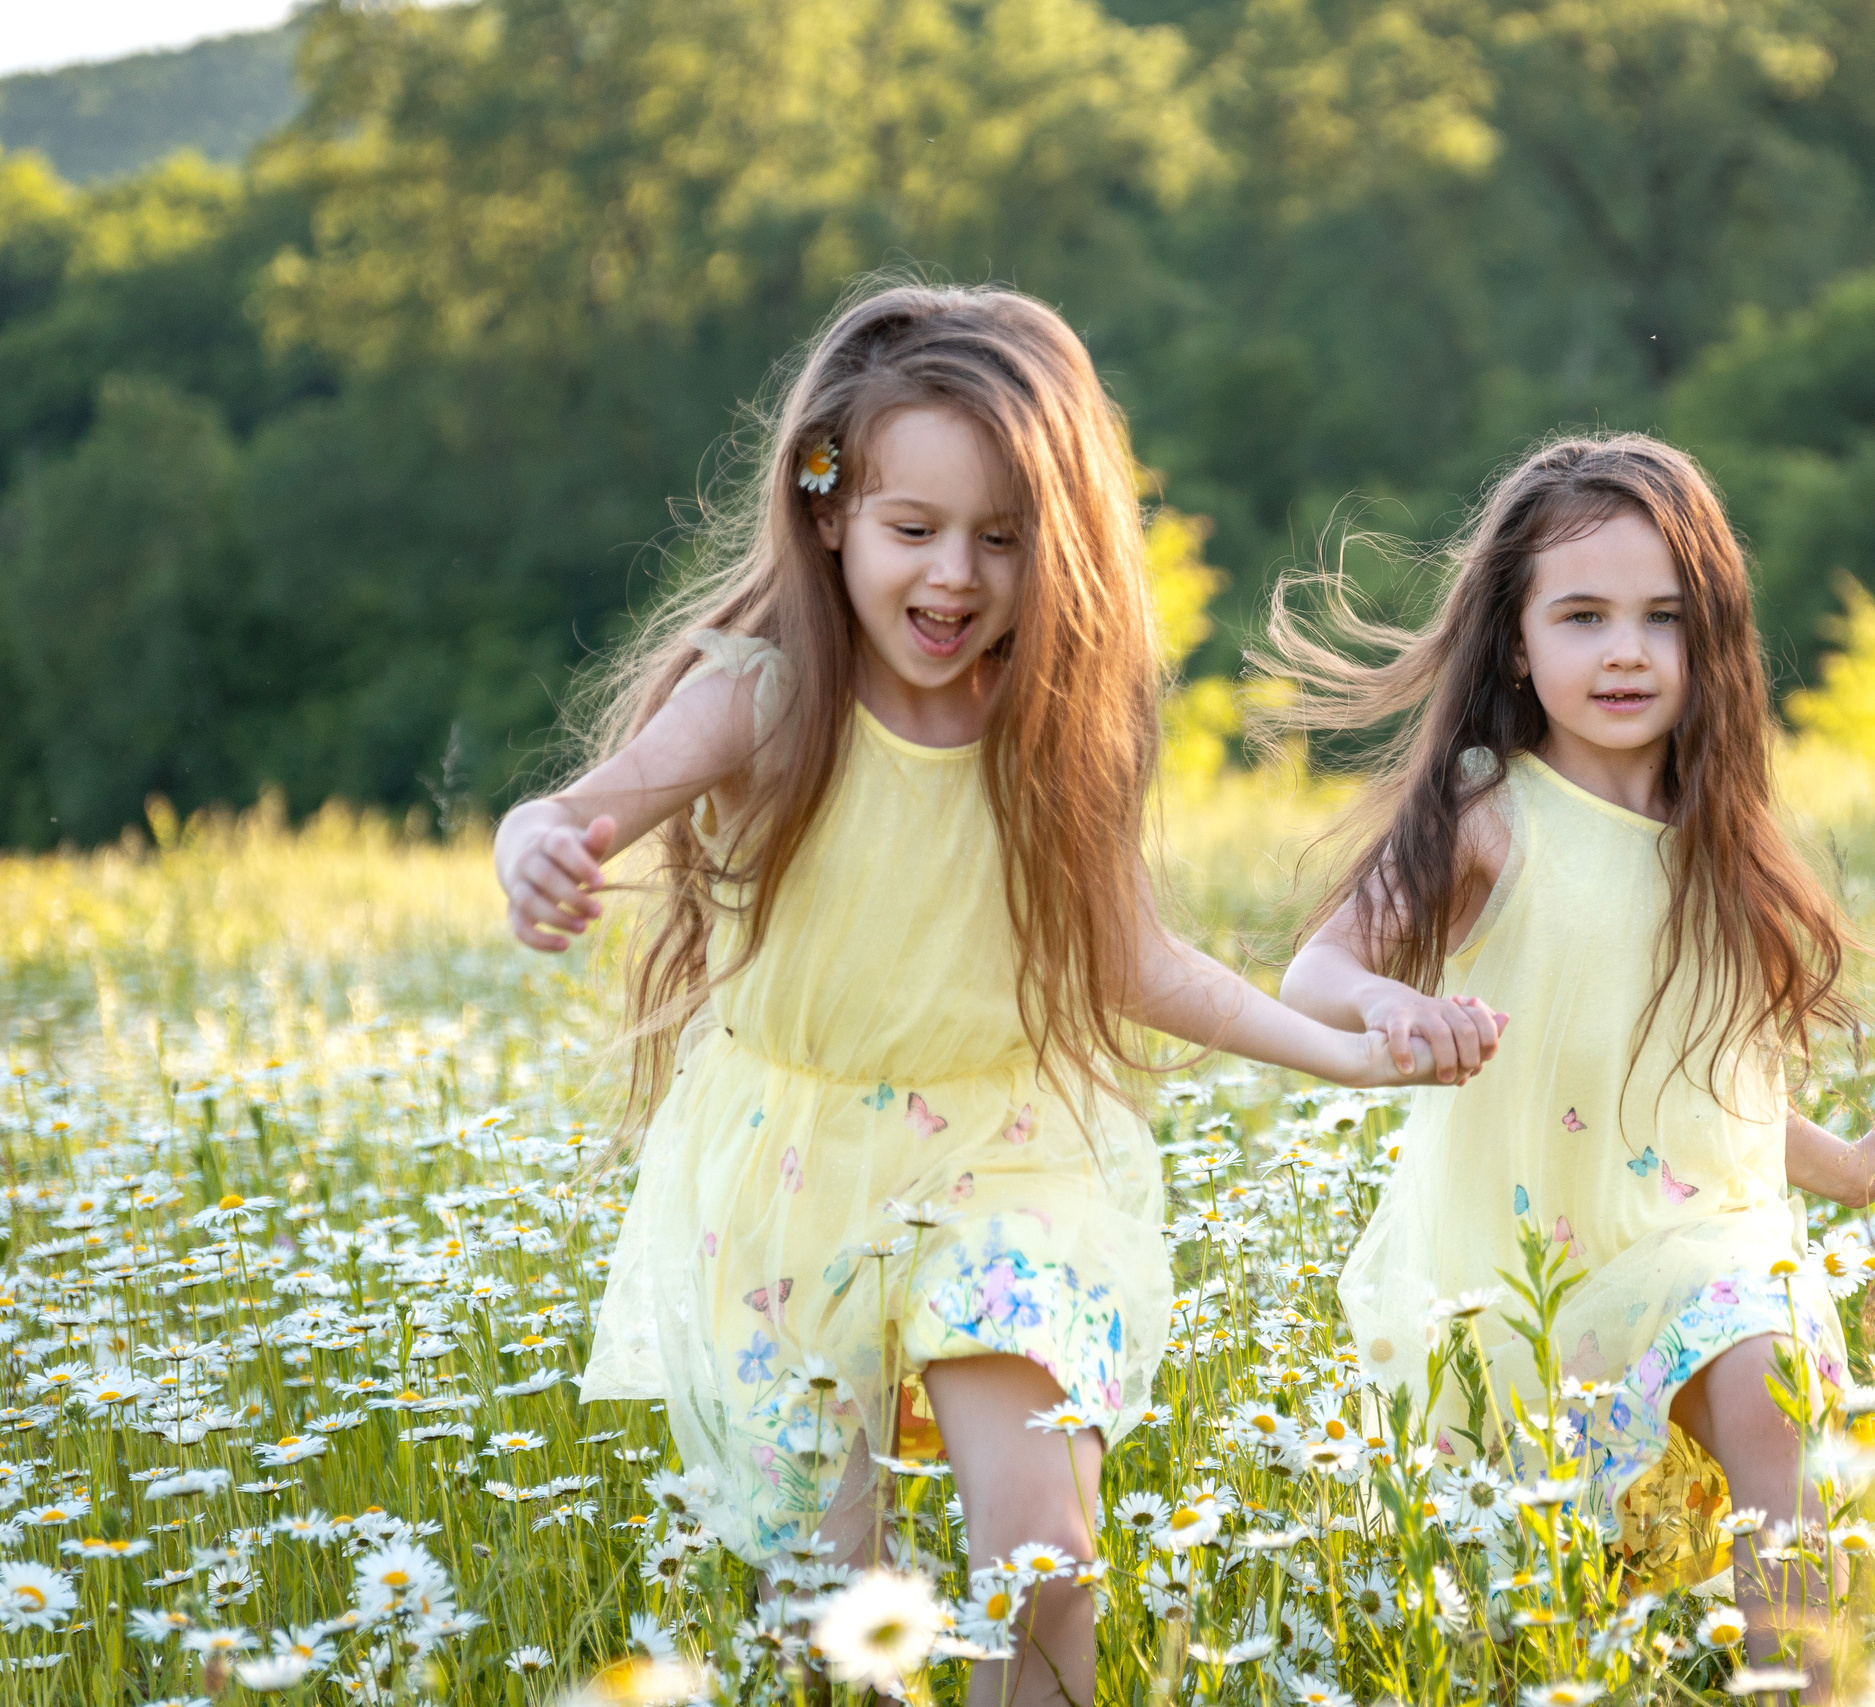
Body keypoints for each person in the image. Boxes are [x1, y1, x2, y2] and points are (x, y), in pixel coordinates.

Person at [494, 283, 1499, 1706]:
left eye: (1004, 538)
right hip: (792, 1181)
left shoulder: (1048, 734)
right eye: (915, 529)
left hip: (1010, 1159)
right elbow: (571, 808)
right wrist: (531, 847)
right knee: (834, 1619)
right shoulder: (762, 699)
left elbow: (1133, 960)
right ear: (829, 507)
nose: (955, 575)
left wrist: (1351, 1050)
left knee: (1043, 1555)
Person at [1262, 433, 1875, 1688]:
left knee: (1774, 1382)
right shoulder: (1488, 817)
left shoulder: (1720, 847)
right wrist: (1391, 1009)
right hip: (1527, 1270)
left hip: (1701, 1247)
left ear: (1713, 643)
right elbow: (1315, 971)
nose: (1625, 651)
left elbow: (1709, 1081)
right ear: (1516, 643)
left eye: (1662, 618)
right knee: (1524, 1616)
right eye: (1581, 617)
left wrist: (1845, 1167)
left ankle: (1808, 1680)